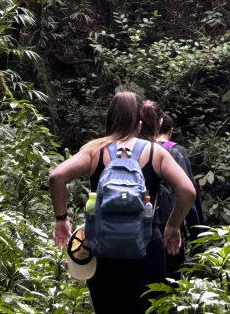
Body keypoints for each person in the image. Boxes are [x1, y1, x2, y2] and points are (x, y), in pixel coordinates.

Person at [49, 91, 197, 314]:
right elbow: (188, 191)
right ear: (138, 126)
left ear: (109, 121)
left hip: (103, 248)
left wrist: (62, 219)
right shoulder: (156, 153)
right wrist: (173, 225)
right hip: (147, 246)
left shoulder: (94, 150)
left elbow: (56, 177)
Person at [141, 105, 205, 282]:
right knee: (172, 280)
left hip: (140, 227)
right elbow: (189, 198)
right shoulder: (176, 151)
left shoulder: (134, 149)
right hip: (170, 224)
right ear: (168, 130)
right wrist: (197, 242)